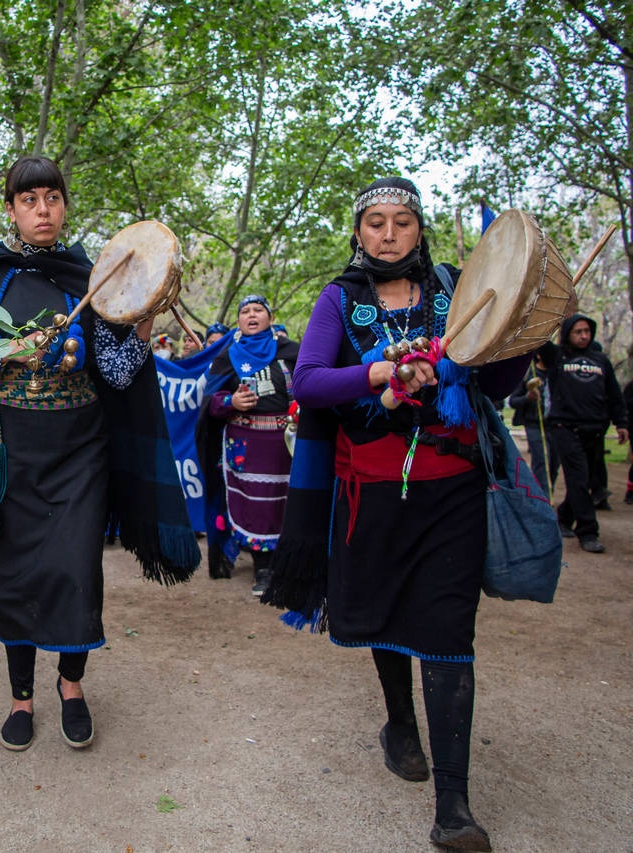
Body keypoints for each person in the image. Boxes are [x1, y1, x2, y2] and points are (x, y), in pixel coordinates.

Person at [265, 178, 530, 852]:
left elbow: (495, 381)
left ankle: (454, 805)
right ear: (358, 233)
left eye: (402, 221)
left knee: (448, 630)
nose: (388, 234)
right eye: (376, 222)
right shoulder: (340, 299)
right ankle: (399, 723)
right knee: (384, 612)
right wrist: (381, 373)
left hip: (453, 495)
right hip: (371, 494)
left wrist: (523, 330)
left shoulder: (452, 290)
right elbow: (309, 381)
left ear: (419, 229)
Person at [0, 156, 199, 752]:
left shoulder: (92, 280)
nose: (43, 210)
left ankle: (71, 685)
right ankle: (21, 696)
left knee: (73, 571)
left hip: (78, 452)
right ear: (11, 208)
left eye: (53, 198)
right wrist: (13, 347)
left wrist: (143, 315)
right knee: (10, 576)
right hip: (2, 452)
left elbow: (117, 373)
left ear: (66, 206)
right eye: (30, 199)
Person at [203, 295, 300, 596]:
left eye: (259, 310)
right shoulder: (227, 356)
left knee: (287, 504)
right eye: (245, 311)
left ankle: (290, 565)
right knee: (257, 508)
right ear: (239, 322)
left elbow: (313, 384)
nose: (252, 315)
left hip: (288, 445)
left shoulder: (293, 351)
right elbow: (210, 402)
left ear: (271, 318)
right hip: (246, 447)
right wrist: (231, 401)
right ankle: (264, 569)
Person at [539, 314, 629, 552]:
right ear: (568, 333)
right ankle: (588, 531)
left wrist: (622, 424)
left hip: (595, 430)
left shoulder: (601, 360)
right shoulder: (557, 356)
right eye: (578, 331)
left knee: (587, 480)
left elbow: (615, 396)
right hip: (565, 429)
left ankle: (564, 517)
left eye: (587, 331)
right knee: (579, 479)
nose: (583, 336)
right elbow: (536, 339)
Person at [507, 355, 556, 498]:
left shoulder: (557, 373)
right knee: (541, 460)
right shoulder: (529, 373)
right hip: (534, 423)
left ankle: (548, 492)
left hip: (556, 425)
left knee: (554, 463)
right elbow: (513, 401)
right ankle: (542, 497)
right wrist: (527, 398)